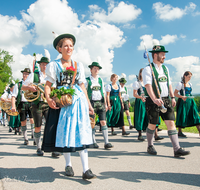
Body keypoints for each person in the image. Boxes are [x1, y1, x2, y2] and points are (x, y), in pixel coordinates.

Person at [42, 33, 96, 180]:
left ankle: (86, 169)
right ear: (59, 49)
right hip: (62, 102)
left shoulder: (78, 65)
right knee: (66, 133)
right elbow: (48, 85)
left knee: (81, 132)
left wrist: (89, 105)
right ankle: (68, 164)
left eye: (71, 45)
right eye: (65, 45)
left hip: (77, 102)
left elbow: (83, 87)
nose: (69, 48)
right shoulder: (54, 65)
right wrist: (48, 98)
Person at [142, 45, 190, 157]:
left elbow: (169, 84)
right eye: (162, 54)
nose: (164, 56)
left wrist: (172, 97)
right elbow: (148, 86)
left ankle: (177, 149)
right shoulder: (148, 69)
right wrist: (154, 99)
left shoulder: (165, 68)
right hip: (153, 100)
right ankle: (150, 145)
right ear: (155, 55)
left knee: (171, 123)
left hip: (166, 99)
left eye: (164, 54)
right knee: (153, 124)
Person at [22, 57, 60, 157]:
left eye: (46, 64)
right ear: (39, 65)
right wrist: (30, 87)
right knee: (38, 126)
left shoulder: (51, 76)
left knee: (51, 126)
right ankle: (38, 147)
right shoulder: (33, 75)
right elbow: (23, 87)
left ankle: (52, 149)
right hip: (37, 103)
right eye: (43, 64)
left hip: (48, 103)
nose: (44, 66)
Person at [85, 62, 113, 149]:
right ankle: (93, 141)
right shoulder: (87, 80)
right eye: (95, 68)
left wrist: (105, 104)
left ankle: (106, 142)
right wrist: (87, 105)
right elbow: (85, 93)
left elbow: (103, 92)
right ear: (91, 70)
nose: (97, 70)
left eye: (98, 69)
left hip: (100, 102)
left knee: (103, 122)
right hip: (91, 103)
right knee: (92, 123)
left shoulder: (101, 80)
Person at [11, 68, 35, 145]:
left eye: (27, 74)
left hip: (31, 103)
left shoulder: (32, 84)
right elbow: (13, 96)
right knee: (23, 121)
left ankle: (34, 137)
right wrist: (13, 106)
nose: (25, 75)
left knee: (32, 120)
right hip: (22, 103)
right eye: (24, 74)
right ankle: (26, 138)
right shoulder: (18, 84)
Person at [174, 71, 200, 137]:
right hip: (183, 102)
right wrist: (182, 97)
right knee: (182, 115)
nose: (190, 78)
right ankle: (179, 131)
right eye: (189, 77)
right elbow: (175, 93)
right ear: (185, 76)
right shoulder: (180, 84)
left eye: (190, 77)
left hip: (191, 101)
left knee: (195, 115)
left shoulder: (190, 84)